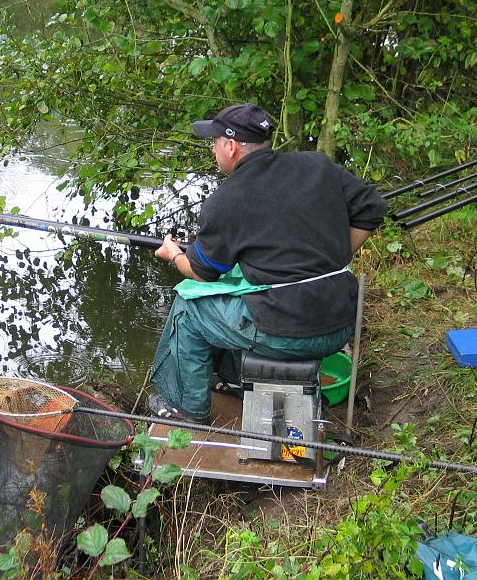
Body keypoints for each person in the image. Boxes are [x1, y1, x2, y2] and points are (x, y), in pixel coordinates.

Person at [147, 103, 387, 424]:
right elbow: (373, 207)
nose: (213, 149)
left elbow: (203, 273)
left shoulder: (227, 199)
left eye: (214, 142)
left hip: (292, 331)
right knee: (238, 296)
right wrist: (337, 256)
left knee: (188, 309)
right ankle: (238, 377)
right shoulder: (317, 166)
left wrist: (174, 254)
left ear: (230, 147)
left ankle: (188, 409)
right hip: (340, 322)